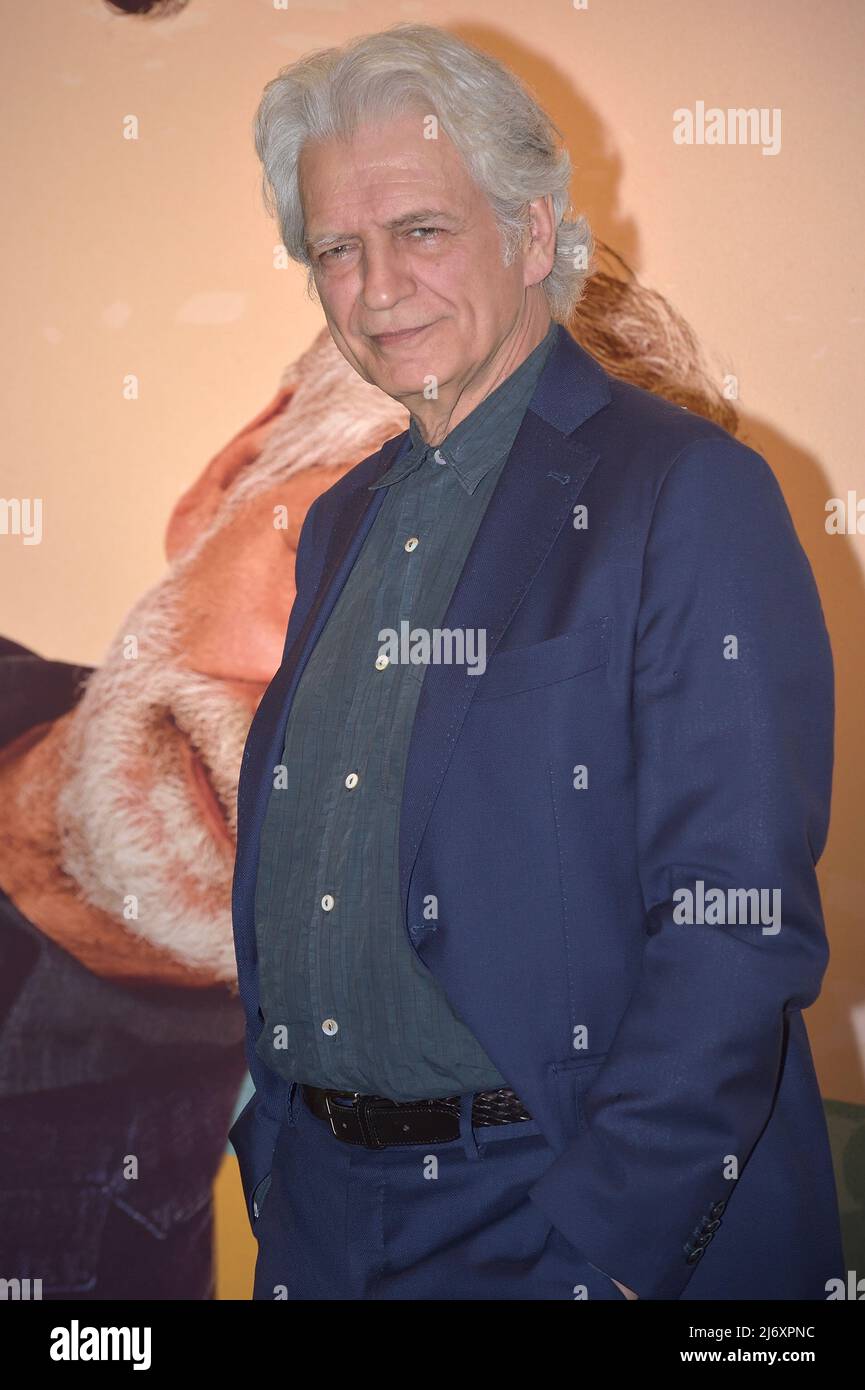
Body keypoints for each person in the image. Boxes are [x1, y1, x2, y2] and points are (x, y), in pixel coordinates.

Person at [230, 22, 844, 1299]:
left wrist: (607, 1253)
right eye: (336, 250)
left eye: (420, 230)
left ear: (530, 233)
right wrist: (279, 1148)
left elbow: (734, 918)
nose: (376, 285)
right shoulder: (342, 517)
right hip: (326, 1224)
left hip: (555, 1223)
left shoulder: (687, 492)